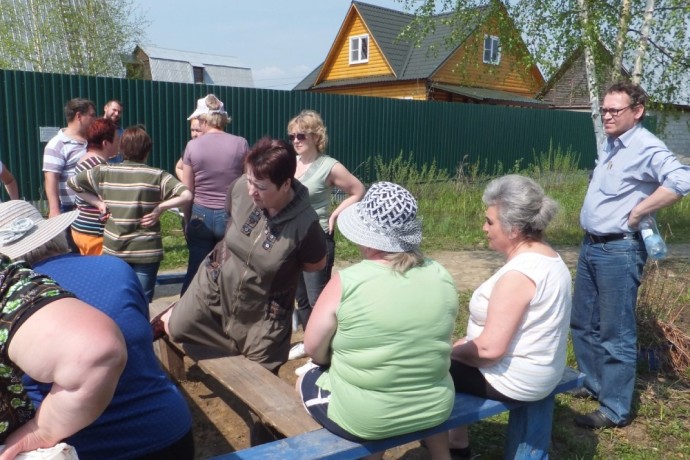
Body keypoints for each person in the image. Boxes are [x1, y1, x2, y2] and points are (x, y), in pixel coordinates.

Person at [0, 200, 194, 460]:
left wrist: (41, 429)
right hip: (164, 429)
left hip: (78, 446)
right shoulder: (116, 267)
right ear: (55, 234)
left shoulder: (13, 302)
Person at [298, 182, 458, 460]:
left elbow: (313, 348)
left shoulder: (348, 281)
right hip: (435, 406)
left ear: (367, 235)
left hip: (367, 418)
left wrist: (332, 359)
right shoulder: (441, 274)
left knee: (306, 377)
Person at [571, 81, 690, 429]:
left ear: (636, 112)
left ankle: (614, 409)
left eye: (614, 110)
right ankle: (593, 384)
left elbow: (681, 179)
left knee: (615, 332)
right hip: (592, 245)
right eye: (604, 110)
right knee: (582, 322)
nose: (607, 115)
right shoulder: (612, 144)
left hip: (619, 249)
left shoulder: (645, 145)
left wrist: (639, 213)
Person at [157, 137, 327, 373]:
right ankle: (185, 317)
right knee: (176, 328)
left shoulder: (306, 225)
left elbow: (315, 265)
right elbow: (231, 217)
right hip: (217, 284)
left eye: (261, 186)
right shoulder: (241, 189)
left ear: (286, 184)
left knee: (261, 376)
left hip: (263, 309)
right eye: (249, 180)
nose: (251, 191)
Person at [446, 174, 571, 457]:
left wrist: (452, 351)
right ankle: (455, 442)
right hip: (541, 369)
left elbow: (489, 351)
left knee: (426, 368)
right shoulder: (548, 257)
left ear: (513, 229)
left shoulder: (518, 274)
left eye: (490, 221)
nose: (484, 227)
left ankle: (453, 447)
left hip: (515, 378)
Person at [0, 203, 126, 459]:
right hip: (158, 427)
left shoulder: (22, 292)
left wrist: (43, 428)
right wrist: (42, 430)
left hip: (87, 439)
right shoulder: (116, 267)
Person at [67, 125, 192, 302]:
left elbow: (72, 183)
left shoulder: (104, 172)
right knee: (142, 300)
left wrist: (99, 203)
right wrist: (160, 208)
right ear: (147, 151)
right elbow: (186, 195)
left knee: (115, 297)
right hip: (146, 251)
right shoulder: (157, 175)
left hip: (114, 250)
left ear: (121, 149)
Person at [285, 110, 365, 364]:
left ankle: (324, 354)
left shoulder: (329, 165)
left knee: (318, 298)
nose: (295, 141)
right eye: (292, 136)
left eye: (301, 135)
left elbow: (357, 190)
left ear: (315, 136)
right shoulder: (290, 163)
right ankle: (310, 344)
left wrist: (335, 215)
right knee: (299, 296)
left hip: (316, 237)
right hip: (291, 238)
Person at [180, 94, 249, 294]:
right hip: (229, 216)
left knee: (195, 271)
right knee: (228, 271)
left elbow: (187, 191)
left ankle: (186, 316)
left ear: (203, 119)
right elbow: (246, 186)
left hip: (200, 214)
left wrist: (186, 220)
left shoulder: (192, 146)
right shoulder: (241, 144)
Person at [70, 118, 120, 255]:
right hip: (94, 232)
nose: (119, 143)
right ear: (105, 143)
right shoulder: (98, 166)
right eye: (116, 140)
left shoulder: (85, 158)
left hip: (82, 228)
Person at [43, 98, 96, 218]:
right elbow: (51, 177)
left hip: (93, 206)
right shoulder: (57, 144)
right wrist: (54, 209)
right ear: (79, 116)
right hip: (70, 208)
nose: (94, 120)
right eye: (91, 115)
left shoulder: (92, 141)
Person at [102, 99, 125, 164]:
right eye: (114, 110)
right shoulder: (94, 128)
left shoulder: (121, 132)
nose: (116, 114)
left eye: (119, 112)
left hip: (117, 168)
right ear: (106, 108)